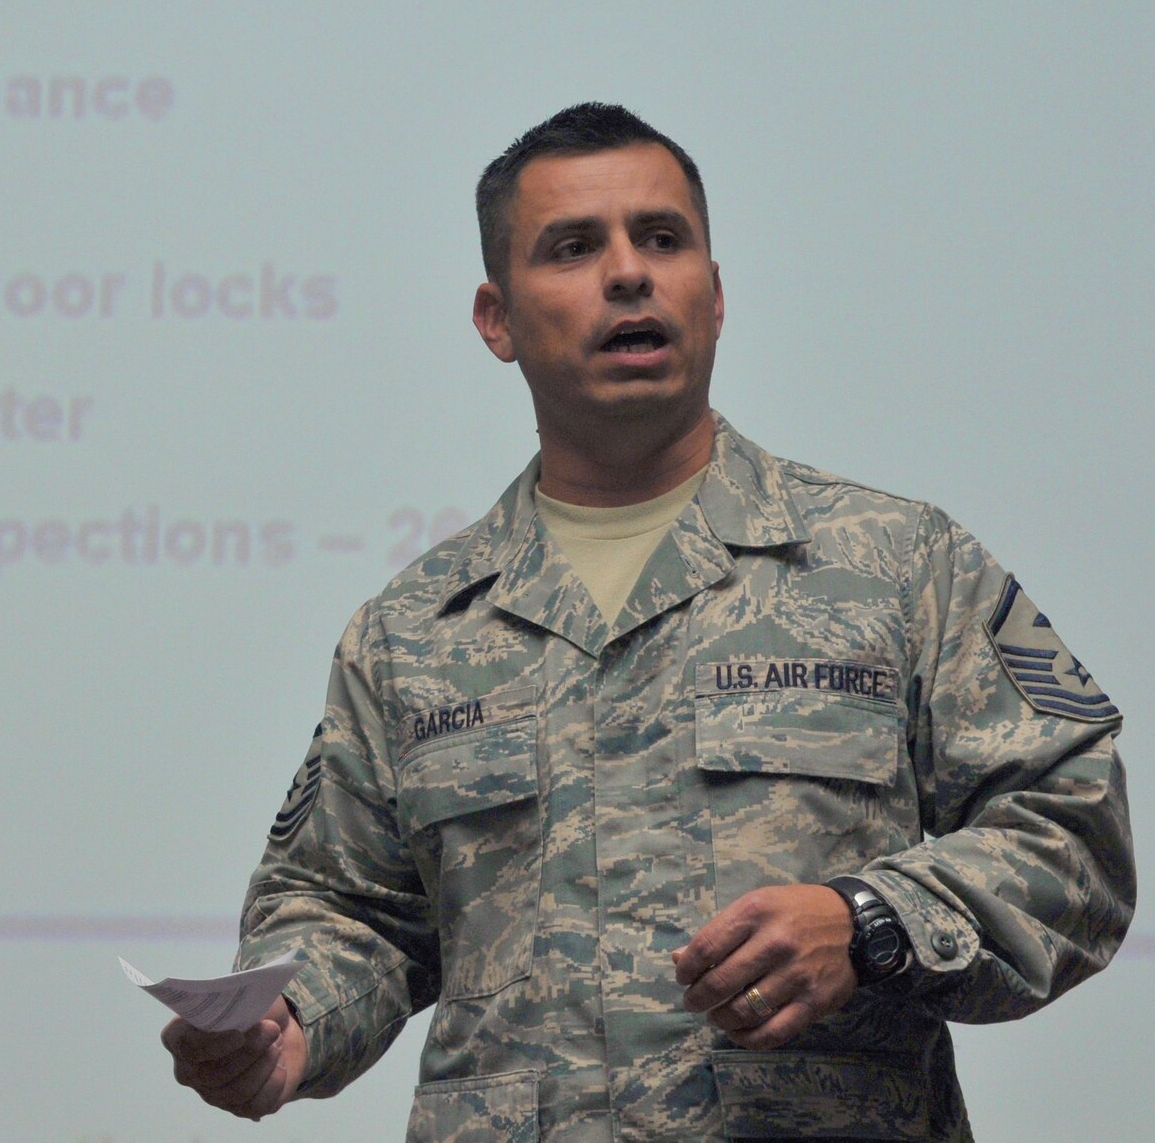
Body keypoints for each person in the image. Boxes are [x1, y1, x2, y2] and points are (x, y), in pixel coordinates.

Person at [159, 104, 1134, 1141]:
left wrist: (863, 919)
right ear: (494, 319)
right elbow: (346, 908)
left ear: (712, 297)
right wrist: (285, 1021)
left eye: (660, 239)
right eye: (573, 248)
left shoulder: (893, 563)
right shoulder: (411, 633)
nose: (627, 273)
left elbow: (1070, 829)